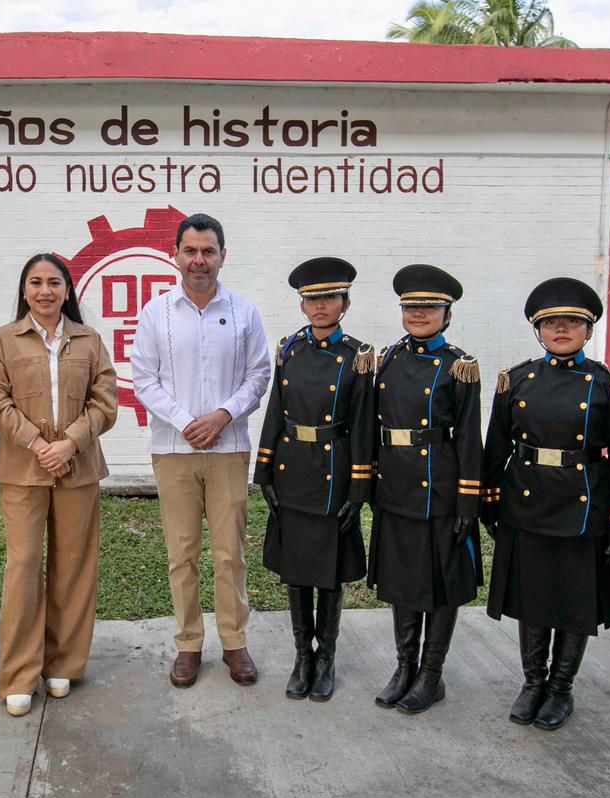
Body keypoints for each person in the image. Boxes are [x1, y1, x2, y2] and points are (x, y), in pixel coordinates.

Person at [481, 278, 610, 730]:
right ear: (538, 330)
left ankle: (561, 688)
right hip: (526, 501)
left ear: (588, 329)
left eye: (572, 322)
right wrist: (490, 502)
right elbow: (496, 447)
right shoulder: (516, 380)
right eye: (551, 323)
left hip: (583, 507)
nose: (562, 329)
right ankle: (533, 682)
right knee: (532, 598)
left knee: (574, 601)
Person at [130, 213, 273, 689]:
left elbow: (259, 374)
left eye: (208, 251)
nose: (198, 260)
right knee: (182, 552)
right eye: (190, 251)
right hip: (174, 449)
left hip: (228, 448)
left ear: (222, 256)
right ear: (175, 255)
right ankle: (188, 644)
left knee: (230, 553)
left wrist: (222, 416)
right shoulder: (156, 313)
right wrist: (186, 421)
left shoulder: (244, 312)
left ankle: (234, 642)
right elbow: (143, 378)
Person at [0, 253, 118, 717]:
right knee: (23, 566)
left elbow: (105, 401)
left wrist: (70, 443)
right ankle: (20, 674)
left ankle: (63, 663)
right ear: (24, 290)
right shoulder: (5, 339)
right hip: (23, 468)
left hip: (79, 467)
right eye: (35, 282)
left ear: (67, 290)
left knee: (73, 565)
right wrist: (39, 445)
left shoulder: (89, 340)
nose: (45, 291)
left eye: (54, 282)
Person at [253, 257, 375, 701]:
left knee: (328, 574)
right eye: (312, 299)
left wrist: (359, 489)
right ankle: (303, 656)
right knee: (297, 572)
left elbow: (363, 426)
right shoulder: (290, 349)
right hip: (292, 471)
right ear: (302, 305)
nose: (320, 306)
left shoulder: (358, 357)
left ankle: (327, 659)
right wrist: (264, 469)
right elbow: (275, 412)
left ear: (345, 303)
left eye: (330, 298)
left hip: (333, 473)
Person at [367, 264, 483, 714]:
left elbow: (469, 438)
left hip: (439, 488)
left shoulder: (459, 366)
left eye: (429, 308)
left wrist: (468, 501)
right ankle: (404, 668)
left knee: (440, 582)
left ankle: (431, 675)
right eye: (411, 307)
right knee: (401, 580)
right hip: (395, 486)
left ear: (447, 314)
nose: (418, 314)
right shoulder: (389, 359)